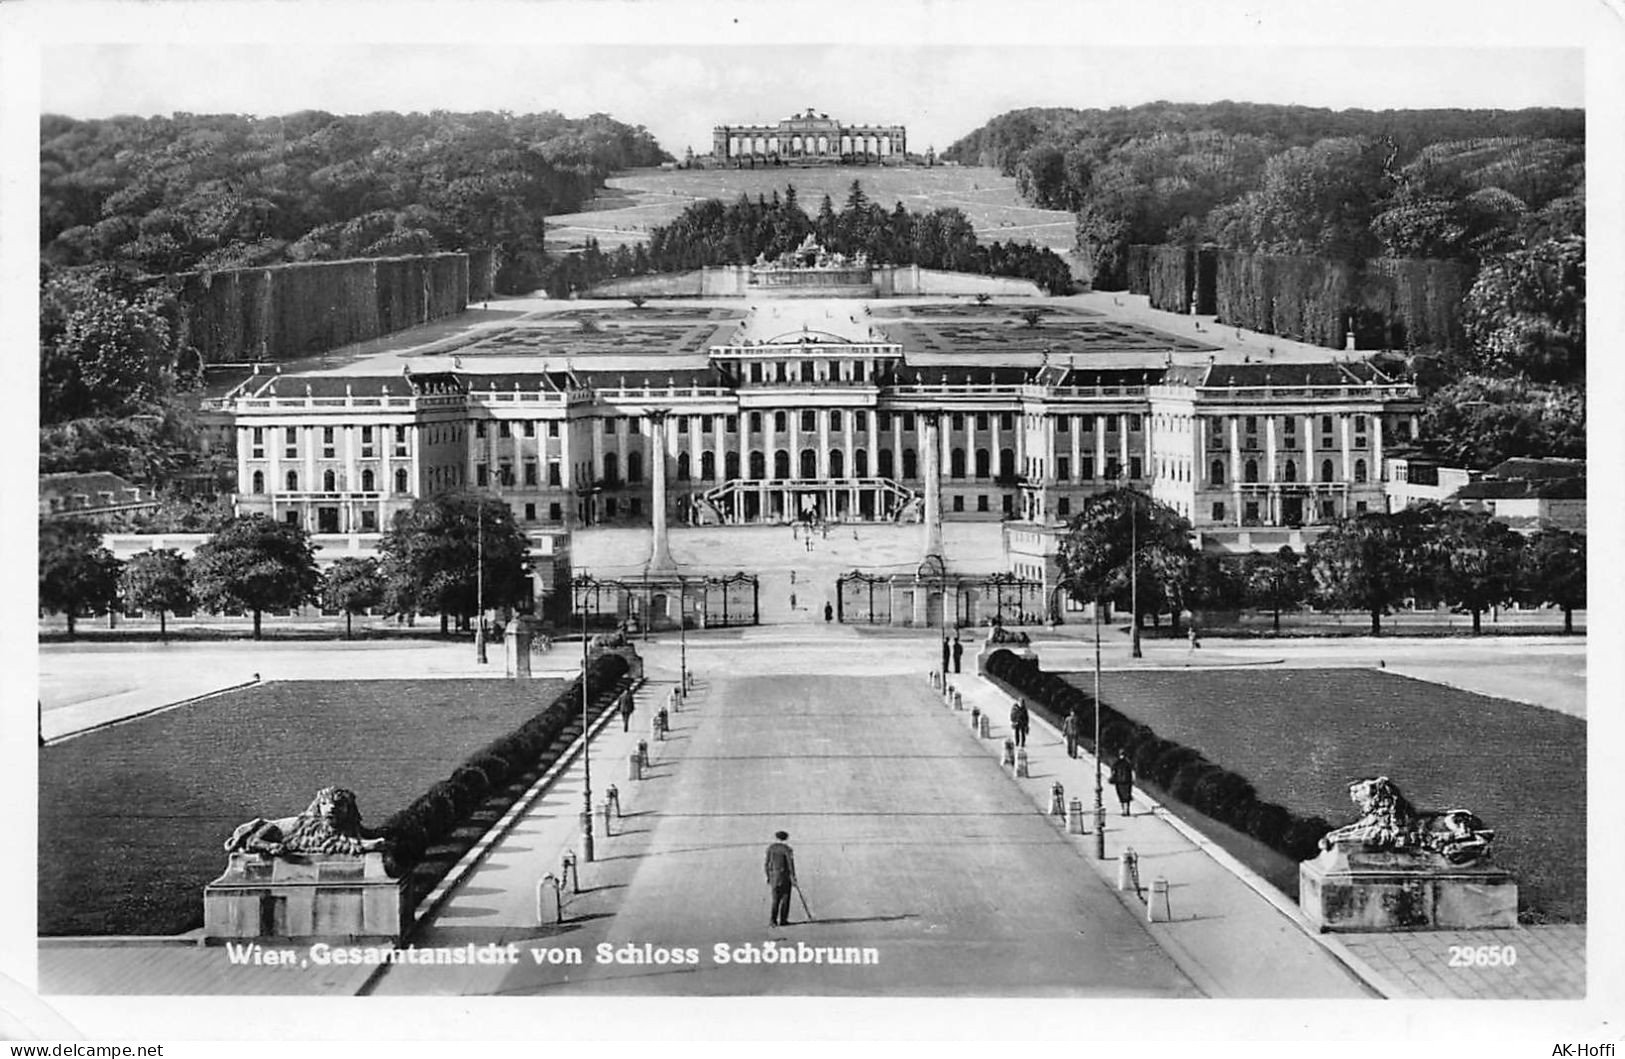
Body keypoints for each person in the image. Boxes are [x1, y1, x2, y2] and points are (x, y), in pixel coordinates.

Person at [765, 830, 797, 927]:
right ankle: (783, 920)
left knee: (775, 899)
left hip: (774, 876)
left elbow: (767, 864)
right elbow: (790, 865)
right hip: (785, 877)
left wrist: (768, 876)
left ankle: (773, 920)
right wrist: (793, 877)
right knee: (785, 898)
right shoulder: (787, 849)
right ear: (786, 838)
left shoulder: (771, 848)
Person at [1110, 750, 1135, 816]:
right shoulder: (1128, 762)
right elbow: (1132, 771)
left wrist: (1112, 778)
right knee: (1127, 796)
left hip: (1119, 782)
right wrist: (1133, 780)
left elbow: (1113, 770)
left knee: (1121, 796)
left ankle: (1124, 810)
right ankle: (1127, 810)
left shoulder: (1116, 762)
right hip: (1127, 781)